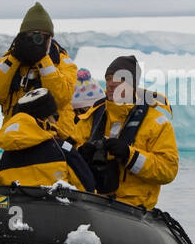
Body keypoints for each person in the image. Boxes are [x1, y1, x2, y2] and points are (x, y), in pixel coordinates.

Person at [75, 55, 178, 209]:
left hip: (133, 209)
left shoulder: (156, 123)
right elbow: (68, 157)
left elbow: (168, 170)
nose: (110, 84)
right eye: (108, 78)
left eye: (118, 79)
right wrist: (81, 155)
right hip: (93, 202)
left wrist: (130, 156)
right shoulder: (91, 117)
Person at [0, 2, 80, 142]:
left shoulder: (62, 62)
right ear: (22, 36)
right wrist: (14, 57)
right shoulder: (10, 62)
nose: (36, 40)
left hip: (54, 139)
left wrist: (43, 59)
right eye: (32, 35)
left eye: (42, 36)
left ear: (50, 38)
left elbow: (61, 98)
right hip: (19, 138)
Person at [0, 88, 96, 191]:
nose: (56, 123)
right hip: (59, 206)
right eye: (55, 116)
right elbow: (88, 189)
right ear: (44, 121)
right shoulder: (62, 150)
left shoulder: (3, 161)